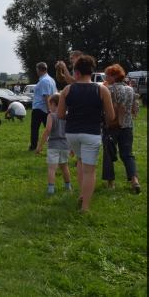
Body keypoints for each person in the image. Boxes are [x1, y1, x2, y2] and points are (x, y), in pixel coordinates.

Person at [57, 55, 115, 212]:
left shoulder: (67, 90)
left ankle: (82, 195)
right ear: (92, 71)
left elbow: (61, 115)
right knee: (90, 170)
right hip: (92, 133)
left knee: (81, 161)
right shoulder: (102, 89)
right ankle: (85, 207)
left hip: (72, 134)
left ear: (76, 72)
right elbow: (111, 116)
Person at [101, 64, 141, 193]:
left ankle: (111, 183)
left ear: (114, 76)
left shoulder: (108, 89)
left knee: (108, 154)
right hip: (127, 126)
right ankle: (134, 180)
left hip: (111, 126)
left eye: (107, 75)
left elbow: (104, 108)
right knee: (128, 154)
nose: (105, 77)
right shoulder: (130, 89)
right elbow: (136, 109)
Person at [35, 94, 72, 195]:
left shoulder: (51, 116)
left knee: (52, 168)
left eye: (49, 104)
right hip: (65, 145)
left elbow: (47, 130)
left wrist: (40, 145)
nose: (49, 107)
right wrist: (72, 147)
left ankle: (51, 189)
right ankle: (68, 186)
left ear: (53, 104)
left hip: (53, 145)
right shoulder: (66, 115)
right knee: (64, 166)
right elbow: (70, 131)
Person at [29, 62, 57, 151]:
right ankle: (55, 144)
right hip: (46, 108)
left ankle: (33, 146)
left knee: (35, 129)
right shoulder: (51, 79)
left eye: (36, 69)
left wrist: (49, 110)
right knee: (51, 129)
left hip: (40, 108)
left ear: (39, 69)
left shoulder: (44, 81)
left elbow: (46, 96)